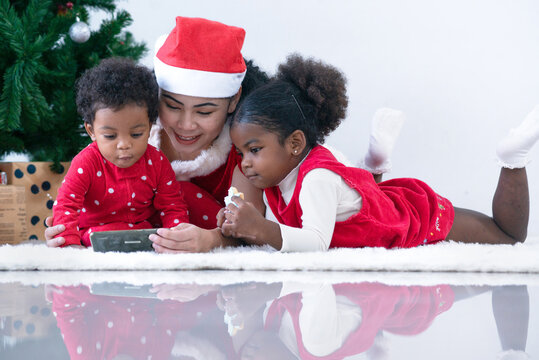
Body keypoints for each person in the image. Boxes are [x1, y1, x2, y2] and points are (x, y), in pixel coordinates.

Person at [45, 16, 402, 252]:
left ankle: (371, 172)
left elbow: (248, 225)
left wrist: (211, 239)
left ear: (232, 101)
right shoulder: (132, 136)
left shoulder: (243, 151)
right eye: (172, 106)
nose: (186, 124)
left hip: (317, 206)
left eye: (204, 111)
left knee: (373, 206)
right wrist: (66, 231)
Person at [219, 53, 538, 251]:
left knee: (507, 236)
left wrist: (261, 229)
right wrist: (236, 223)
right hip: (373, 204)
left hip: (413, 216)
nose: (244, 163)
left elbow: (315, 242)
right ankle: (373, 167)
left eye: (254, 150)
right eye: (241, 152)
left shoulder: (315, 179)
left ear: (295, 144)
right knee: (362, 191)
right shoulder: (288, 170)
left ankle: (512, 160)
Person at [52, 57, 188, 248]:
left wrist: (176, 237)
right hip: (94, 234)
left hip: (143, 233)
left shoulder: (156, 160)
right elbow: (66, 205)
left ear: (149, 127)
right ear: (91, 131)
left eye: (136, 134)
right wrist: (69, 244)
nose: (124, 144)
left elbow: (172, 205)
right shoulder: (86, 162)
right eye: (110, 136)